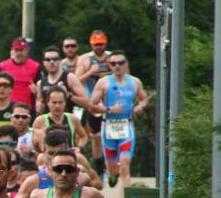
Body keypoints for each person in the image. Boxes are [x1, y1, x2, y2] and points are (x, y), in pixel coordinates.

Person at [89, 50, 148, 187]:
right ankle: (111, 174)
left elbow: (143, 99)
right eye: (113, 63)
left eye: (120, 63)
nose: (117, 66)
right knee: (112, 167)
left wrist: (140, 107)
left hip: (126, 127)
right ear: (109, 65)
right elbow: (91, 106)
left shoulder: (134, 82)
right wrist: (109, 109)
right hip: (109, 126)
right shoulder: (103, 83)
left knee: (124, 166)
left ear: (126, 64)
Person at [17, 129, 98, 198]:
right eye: (51, 153)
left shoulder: (82, 177)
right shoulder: (33, 181)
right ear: (44, 152)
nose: (55, 158)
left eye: (59, 152)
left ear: (68, 150)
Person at [76, 30, 112, 170]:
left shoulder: (112, 58)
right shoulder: (85, 59)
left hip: (110, 100)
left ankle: (112, 161)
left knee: (112, 133)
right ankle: (98, 165)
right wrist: (90, 72)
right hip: (92, 101)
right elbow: (76, 79)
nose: (99, 47)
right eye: (96, 44)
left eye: (101, 44)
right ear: (91, 44)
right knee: (95, 135)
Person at [35, 46, 89, 114]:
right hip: (49, 122)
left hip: (67, 121)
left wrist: (69, 95)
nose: (51, 62)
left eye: (55, 59)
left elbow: (87, 103)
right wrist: (39, 106)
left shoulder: (69, 78)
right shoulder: (40, 83)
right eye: (48, 59)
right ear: (44, 62)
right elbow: (39, 106)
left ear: (60, 61)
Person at [32, 86, 89, 151]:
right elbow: (33, 142)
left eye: (60, 102)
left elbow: (83, 136)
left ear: (65, 102)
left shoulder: (72, 118)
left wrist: (79, 148)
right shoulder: (40, 120)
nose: (57, 106)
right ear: (48, 102)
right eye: (54, 102)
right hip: (49, 158)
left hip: (69, 157)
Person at [0, 38, 40, 111]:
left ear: (27, 50)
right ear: (12, 51)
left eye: (21, 50)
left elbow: (40, 87)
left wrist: (37, 91)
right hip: (7, 107)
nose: (19, 53)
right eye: (16, 50)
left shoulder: (35, 66)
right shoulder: (3, 66)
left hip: (28, 108)